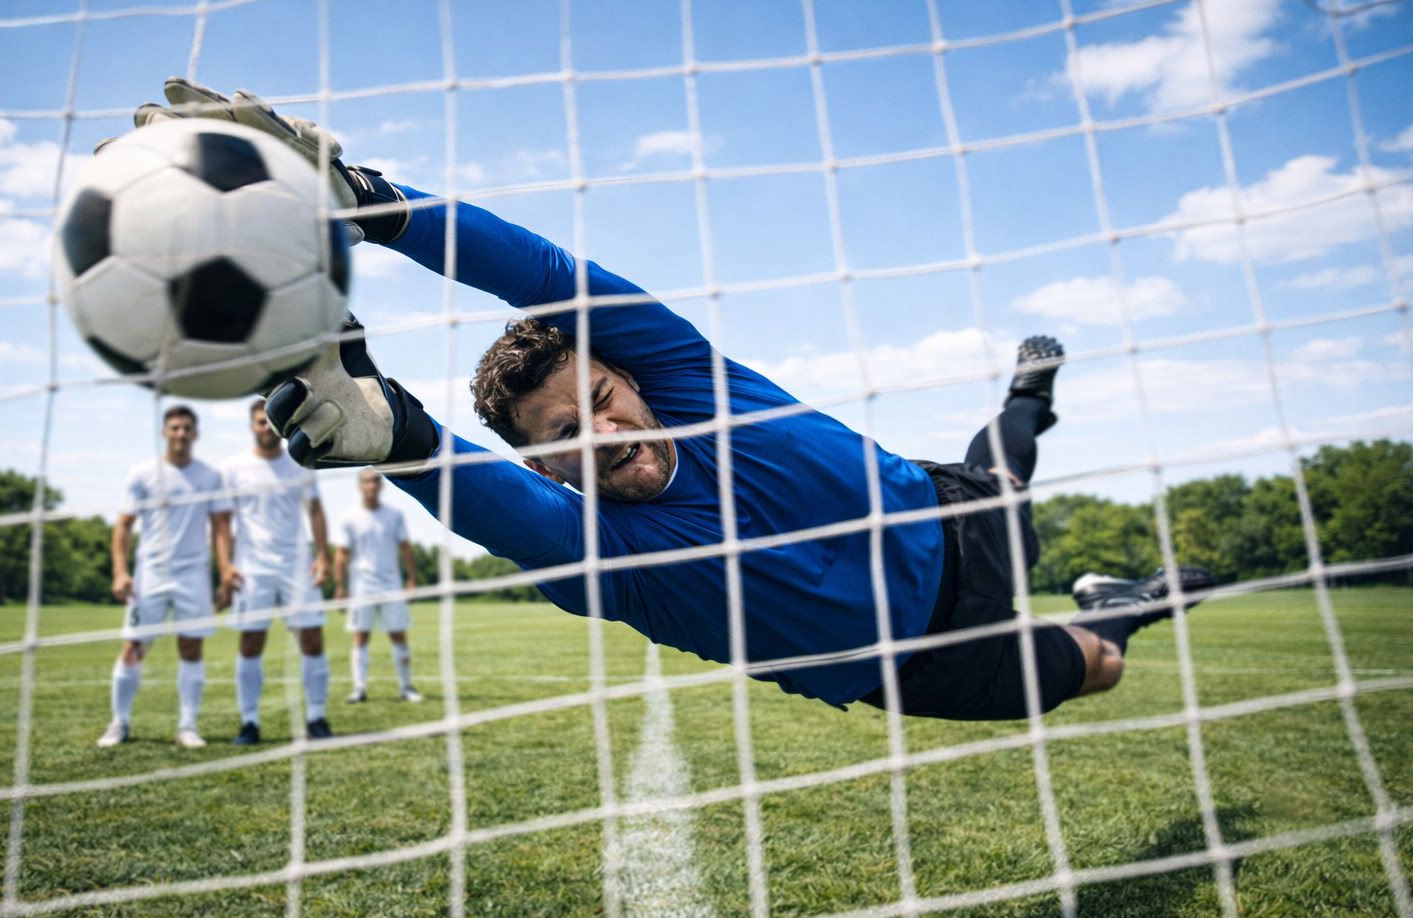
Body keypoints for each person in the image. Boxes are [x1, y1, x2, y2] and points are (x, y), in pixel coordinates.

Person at [142, 80, 1214, 720]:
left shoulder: (692, 377)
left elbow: (545, 268)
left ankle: (1030, 388)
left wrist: (374, 203)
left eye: (602, 397)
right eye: (565, 435)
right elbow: (469, 487)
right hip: (910, 667)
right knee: (1101, 665)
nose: (602, 430)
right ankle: (1118, 605)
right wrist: (401, 439)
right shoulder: (599, 554)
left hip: (954, 520)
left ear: (631, 375)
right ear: (547, 467)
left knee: (1012, 457)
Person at [98, 405, 232, 748]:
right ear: (164, 432)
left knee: (191, 647)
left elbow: (220, 526)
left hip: (194, 573)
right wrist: (120, 571)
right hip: (150, 574)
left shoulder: (210, 475)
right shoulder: (142, 474)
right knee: (133, 647)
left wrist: (226, 570)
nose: (181, 434)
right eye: (174, 428)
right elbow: (124, 526)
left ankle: (188, 725)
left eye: (187, 428)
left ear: (195, 434)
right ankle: (119, 723)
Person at [216, 398, 334, 743]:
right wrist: (224, 564)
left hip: (297, 563)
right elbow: (222, 522)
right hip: (251, 567)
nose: (265, 428)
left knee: (312, 638)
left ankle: (316, 718)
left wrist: (323, 555)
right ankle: (249, 723)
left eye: (269, 422)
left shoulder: (299, 462)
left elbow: (315, 511)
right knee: (251, 641)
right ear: (251, 426)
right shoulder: (232, 469)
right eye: (258, 422)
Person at [334, 470, 422, 704]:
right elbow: (341, 554)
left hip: (391, 583)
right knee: (360, 637)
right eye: (367, 481)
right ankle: (359, 688)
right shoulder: (349, 517)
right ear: (360, 485)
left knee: (398, 636)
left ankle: (406, 687)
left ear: (380, 485)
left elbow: (405, 548)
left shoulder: (393, 515)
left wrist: (411, 579)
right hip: (361, 584)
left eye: (375, 481)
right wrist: (340, 586)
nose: (371, 485)